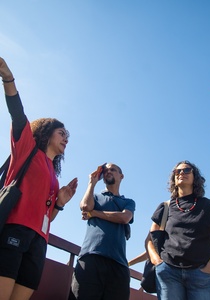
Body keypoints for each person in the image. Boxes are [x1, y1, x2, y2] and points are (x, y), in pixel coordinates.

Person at [0, 57, 78, 300]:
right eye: (62, 133)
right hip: (14, 231)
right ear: (46, 132)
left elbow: (50, 217)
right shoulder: (27, 149)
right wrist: (7, 77)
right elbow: (17, 112)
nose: (66, 138)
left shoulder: (54, 177)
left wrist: (60, 202)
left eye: (68, 136)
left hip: (38, 242)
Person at [146, 160, 210, 300]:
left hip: (201, 274)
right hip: (168, 273)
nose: (181, 173)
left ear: (195, 177)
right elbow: (149, 240)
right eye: (177, 171)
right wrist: (157, 261)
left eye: (187, 170)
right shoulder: (165, 207)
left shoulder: (208, 206)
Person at [71, 163, 136, 300]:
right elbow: (85, 206)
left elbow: (124, 217)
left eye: (113, 169)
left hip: (118, 264)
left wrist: (94, 213)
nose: (108, 172)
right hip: (90, 258)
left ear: (121, 176)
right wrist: (92, 183)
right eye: (106, 170)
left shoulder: (128, 202)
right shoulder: (94, 196)